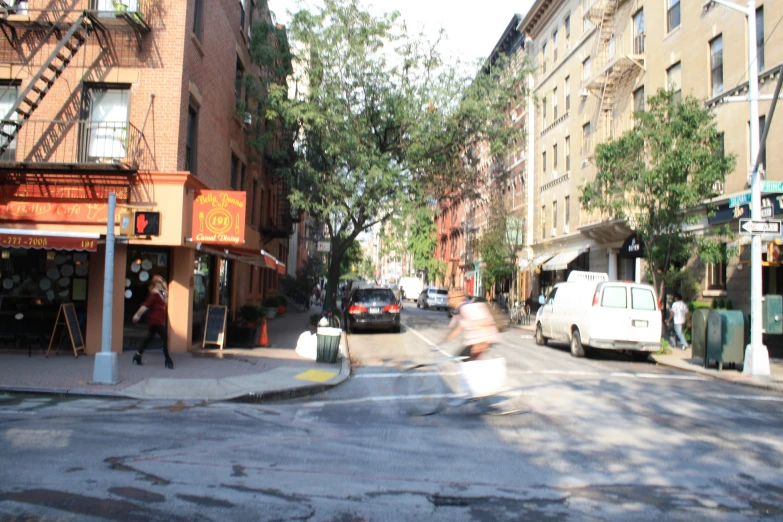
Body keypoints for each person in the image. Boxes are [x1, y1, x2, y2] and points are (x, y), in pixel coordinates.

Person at [441, 289, 501, 406]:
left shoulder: (468, 308)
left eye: (450, 298)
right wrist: (440, 343)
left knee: (467, 364)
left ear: (459, 298)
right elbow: (456, 329)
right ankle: (473, 391)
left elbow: (486, 322)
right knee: (464, 361)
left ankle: (474, 391)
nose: (448, 300)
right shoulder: (459, 310)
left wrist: (482, 343)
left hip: (483, 339)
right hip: (474, 341)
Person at [132, 275, 174, 369]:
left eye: (162, 281)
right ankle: (168, 359)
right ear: (155, 283)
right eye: (159, 282)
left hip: (159, 319)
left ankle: (138, 355)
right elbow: (146, 305)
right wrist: (137, 315)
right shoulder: (154, 294)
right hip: (155, 320)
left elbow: (165, 304)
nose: (161, 284)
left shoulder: (160, 293)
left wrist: (166, 294)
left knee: (149, 338)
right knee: (164, 337)